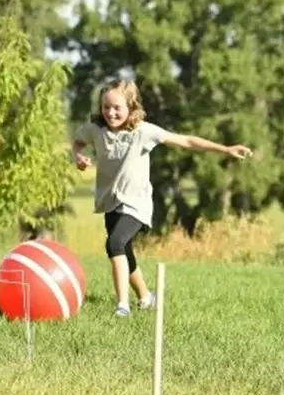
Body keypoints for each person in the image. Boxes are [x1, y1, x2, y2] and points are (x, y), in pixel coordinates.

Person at [73, 78, 252, 317]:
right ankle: (147, 297)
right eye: (106, 107)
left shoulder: (143, 131)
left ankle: (122, 306)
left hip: (136, 204)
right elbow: (77, 142)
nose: (111, 112)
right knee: (124, 251)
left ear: (131, 107)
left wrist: (225, 149)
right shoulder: (95, 129)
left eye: (117, 107)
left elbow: (186, 141)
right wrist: (78, 156)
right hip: (110, 202)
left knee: (114, 244)